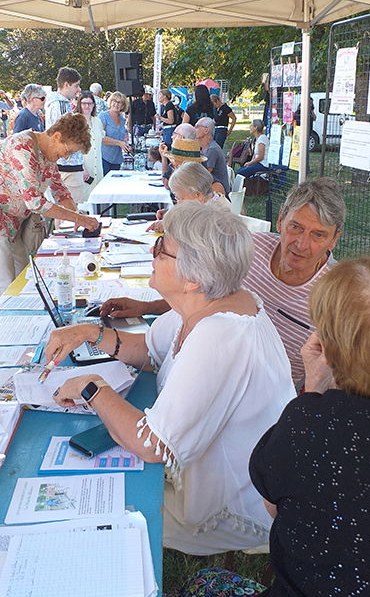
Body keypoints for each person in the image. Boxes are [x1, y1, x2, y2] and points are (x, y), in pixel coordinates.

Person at [161, 256, 370, 597]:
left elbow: (273, 506)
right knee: (205, 582)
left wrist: (314, 390)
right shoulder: (319, 425)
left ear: (330, 341)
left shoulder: (310, 425)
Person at [47, 201, 295, 554]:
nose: (153, 250)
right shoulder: (209, 301)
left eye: (162, 247)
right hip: (226, 474)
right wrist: (89, 332)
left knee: (93, 506)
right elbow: (150, 349)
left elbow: (153, 447)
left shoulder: (219, 335)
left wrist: (93, 388)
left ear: (192, 279)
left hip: (233, 500)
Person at [99, 178, 345, 387]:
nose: (302, 244)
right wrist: (147, 307)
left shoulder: (337, 295)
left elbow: (338, 374)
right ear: (281, 220)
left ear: (334, 239)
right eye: (296, 227)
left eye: (318, 235)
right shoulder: (251, 248)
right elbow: (201, 289)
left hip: (268, 403)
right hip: (209, 368)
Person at [0, 113, 99, 293]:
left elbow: (60, 191)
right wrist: (79, 218)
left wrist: (77, 217)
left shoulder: (47, 155)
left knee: (24, 279)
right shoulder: (22, 146)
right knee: (6, 283)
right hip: (2, 223)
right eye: (68, 151)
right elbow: (35, 202)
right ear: (57, 136)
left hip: (14, 224)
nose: (66, 157)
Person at [44, 66, 86, 203]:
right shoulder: (60, 104)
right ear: (66, 84)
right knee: (73, 212)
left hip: (65, 164)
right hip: (68, 165)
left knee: (64, 212)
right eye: (76, 86)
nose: (78, 90)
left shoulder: (57, 103)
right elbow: (65, 135)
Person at [75, 91, 105, 198]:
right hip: (83, 169)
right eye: (84, 103)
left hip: (98, 168)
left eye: (90, 103)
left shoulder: (97, 122)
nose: (87, 106)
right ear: (80, 104)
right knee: (84, 201)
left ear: (93, 105)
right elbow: (74, 149)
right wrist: (82, 168)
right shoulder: (76, 123)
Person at [195, 117, 230, 196]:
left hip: (219, 194)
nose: (194, 129)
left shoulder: (212, 149)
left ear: (206, 130)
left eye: (197, 126)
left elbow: (204, 174)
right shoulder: (204, 148)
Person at [98, 91, 131, 174]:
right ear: (110, 102)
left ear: (123, 105)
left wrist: (126, 145)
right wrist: (119, 143)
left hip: (117, 159)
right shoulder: (103, 116)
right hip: (104, 158)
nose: (116, 104)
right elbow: (100, 137)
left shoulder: (122, 119)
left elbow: (122, 137)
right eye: (114, 101)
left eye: (119, 102)